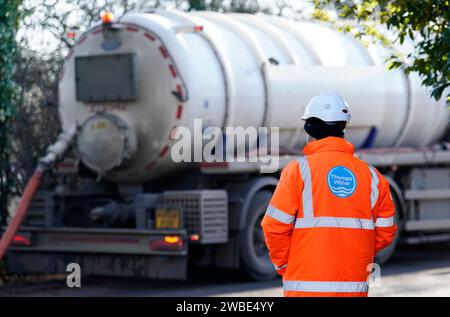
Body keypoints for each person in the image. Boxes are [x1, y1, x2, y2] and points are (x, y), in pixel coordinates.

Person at [261, 91, 397, 297]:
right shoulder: (372, 176)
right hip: (353, 288)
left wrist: (284, 265)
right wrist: (355, 252)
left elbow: (273, 226)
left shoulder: (298, 170)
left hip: (304, 289)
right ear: (343, 127)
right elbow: (385, 232)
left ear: (310, 127)